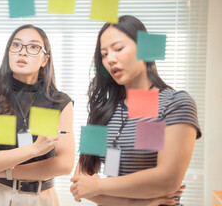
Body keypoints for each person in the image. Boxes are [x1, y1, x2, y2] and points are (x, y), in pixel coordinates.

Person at [70, 15, 201, 206]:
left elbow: (167, 180)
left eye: (118, 48)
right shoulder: (101, 111)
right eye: (104, 54)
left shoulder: (175, 103)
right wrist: (145, 202)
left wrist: (98, 187)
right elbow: (79, 185)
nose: (110, 59)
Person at [0, 24, 74, 206]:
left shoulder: (58, 103)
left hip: (43, 198)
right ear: (8, 53)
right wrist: (34, 149)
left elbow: (64, 164)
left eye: (34, 47)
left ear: (44, 60)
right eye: (16, 45)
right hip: (0, 197)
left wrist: (8, 171)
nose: (23, 52)